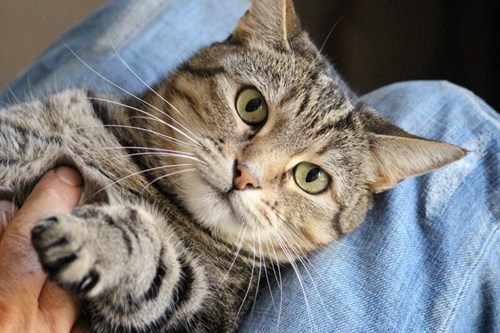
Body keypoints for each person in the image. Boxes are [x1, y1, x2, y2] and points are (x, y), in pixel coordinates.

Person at [0, 1, 498, 332]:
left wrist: (131, 252)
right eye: (252, 109)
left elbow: (181, 309)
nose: (250, 173)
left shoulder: (227, 279)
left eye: (310, 177)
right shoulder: (88, 112)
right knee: (452, 114)